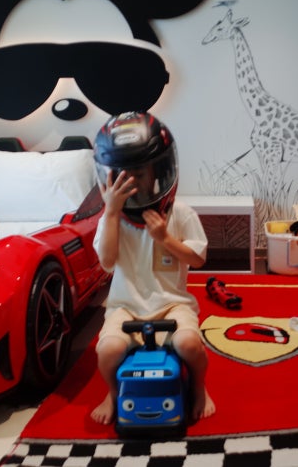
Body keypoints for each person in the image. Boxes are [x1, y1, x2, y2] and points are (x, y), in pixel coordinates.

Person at [90, 111, 216, 425]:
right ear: (110, 178)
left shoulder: (180, 213)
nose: (132, 182)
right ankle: (112, 392)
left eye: (140, 173)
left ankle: (198, 386)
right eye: (124, 175)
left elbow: (198, 259)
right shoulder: (112, 219)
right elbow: (107, 262)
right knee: (107, 351)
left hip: (173, 304)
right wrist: (111, 213)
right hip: (125, 306)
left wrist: (165, 238)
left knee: (189, 344)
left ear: (158, 172)